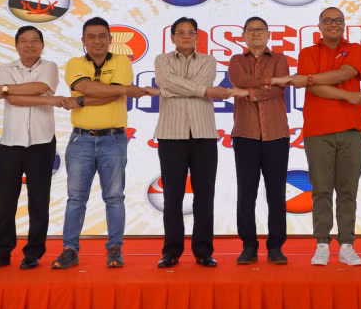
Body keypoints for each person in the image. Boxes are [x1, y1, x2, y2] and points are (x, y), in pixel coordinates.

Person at [51, 17, 149, 269]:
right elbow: (93, 88)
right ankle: (70, 250)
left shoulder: (121, 61)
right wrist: (116, 90)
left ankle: (114, 249)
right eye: (91, 36)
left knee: (114, 197)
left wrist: (81, 100)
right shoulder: (74, 63)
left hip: (114, 139)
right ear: (83, 40)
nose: (97, 41)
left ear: (110, 39)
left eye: (102, 36)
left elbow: (101, 92)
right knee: (76, 198)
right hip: (81, 139)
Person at [148, 16, 245, 268]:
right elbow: (166, 83)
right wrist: (199, 91)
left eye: (191, 32)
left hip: (204, 134)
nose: (186, 36)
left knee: (204, 195)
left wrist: (175, 89)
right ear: (172, 37)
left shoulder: (209, 60)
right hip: (171, 135)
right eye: (180, 32)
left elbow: (188, 85)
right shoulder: (162, 60)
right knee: (172, 196)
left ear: (197, 36)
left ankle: (203, 250)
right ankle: (171, 251)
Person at [0, 26, 63, 270]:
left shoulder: (49, 66)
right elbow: (15, 99)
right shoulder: (5, 68)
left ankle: (33, 252)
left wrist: (4, 89)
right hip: (10, 143)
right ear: (16, 45)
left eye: (34, 41)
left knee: (38, 201)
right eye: (23, 41)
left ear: (42, 45)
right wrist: (43, 97)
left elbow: (37, 88)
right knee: (6, 201)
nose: (29, 45)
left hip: (42, 142)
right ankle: (0, 253)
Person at [290, 7, 361, 266]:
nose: (333, 24)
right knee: (321, 189)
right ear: (319, 25)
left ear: (344, 24)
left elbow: (345, 74)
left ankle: (347, 244)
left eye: (338, 20)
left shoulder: (356, 49)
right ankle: (321, 243)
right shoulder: (308, 52)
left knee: (348, 190)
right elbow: (316, 89)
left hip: (351, 129)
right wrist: (345, 94)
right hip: (317, 130)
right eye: (328, 20)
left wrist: (310, 79)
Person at [228, 16, 291, 265]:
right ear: (243, 35)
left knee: (276, 193)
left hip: (276, 133)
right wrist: (269, 82)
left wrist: (252, 93)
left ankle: (276, 246)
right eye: (251, 30)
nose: (256, 34)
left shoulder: (279, 59)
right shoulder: (235, 60)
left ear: (268, 35)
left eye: (260, 30)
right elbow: (239, 81)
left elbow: (280, 89)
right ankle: (249, 245)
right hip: (245, 134)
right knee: (246, 193)